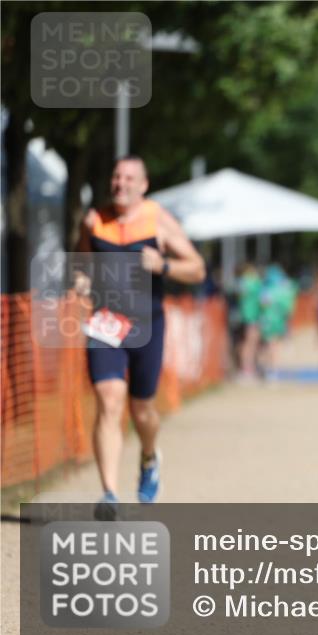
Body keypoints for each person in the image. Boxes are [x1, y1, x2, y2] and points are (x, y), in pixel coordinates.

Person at [74, 155, 205, 519]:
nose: (121, 183)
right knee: (108, 399)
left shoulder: (158, 220)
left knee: (141, 408)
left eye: (129, 178)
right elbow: (83, 264)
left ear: (143, 185)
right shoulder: (94, 220)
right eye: (116, 177)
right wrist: (82, 283)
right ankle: (110, 494)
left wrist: (162, 265)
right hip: (106, 324)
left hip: (148, 324)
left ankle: (149, 457)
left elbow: (196, 269)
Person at [258, 264, 298, 380]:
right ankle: (272, 369)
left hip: (268, 321)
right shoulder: (285, 290)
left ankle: (270, 370)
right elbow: (289, 309)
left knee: (269, 345)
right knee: (274, 346)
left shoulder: (266, 289)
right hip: (279, 321)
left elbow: (263, 304)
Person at [237, 263, 263, 380]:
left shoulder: (243, 282)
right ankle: (247, 368)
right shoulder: (254, 282)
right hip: (251, 317)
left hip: (247, 316)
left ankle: (247, 367)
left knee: (248, 342)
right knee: (250, 343)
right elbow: (263, 300)